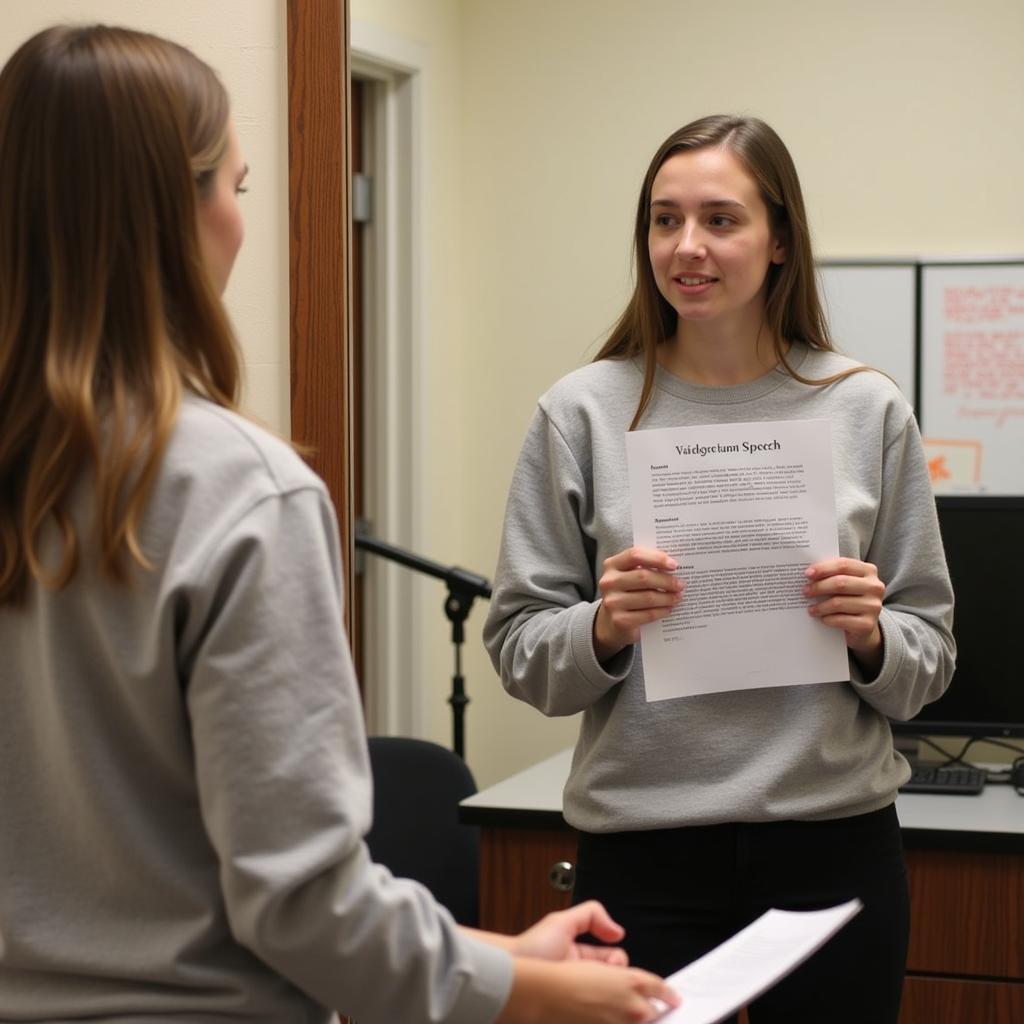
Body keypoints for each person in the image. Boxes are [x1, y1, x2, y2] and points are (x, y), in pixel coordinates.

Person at [0, 24, 681, 1024]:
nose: (241, 220)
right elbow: (298, 905)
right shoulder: (236, 493)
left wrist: (487, 947)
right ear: (171, 214)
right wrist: (534, 994)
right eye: (235, 188)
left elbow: (142, 884)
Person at [484, 114, 955, 1023]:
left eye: (720, 220)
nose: (687, 247)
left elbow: (928, 660)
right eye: (664, 221)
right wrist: (603, 626)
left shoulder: (864, 407)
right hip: (643, 847)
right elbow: (517, 650)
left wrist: (870, 635)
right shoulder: (580, 412)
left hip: (833, 844)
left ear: (780, 240)